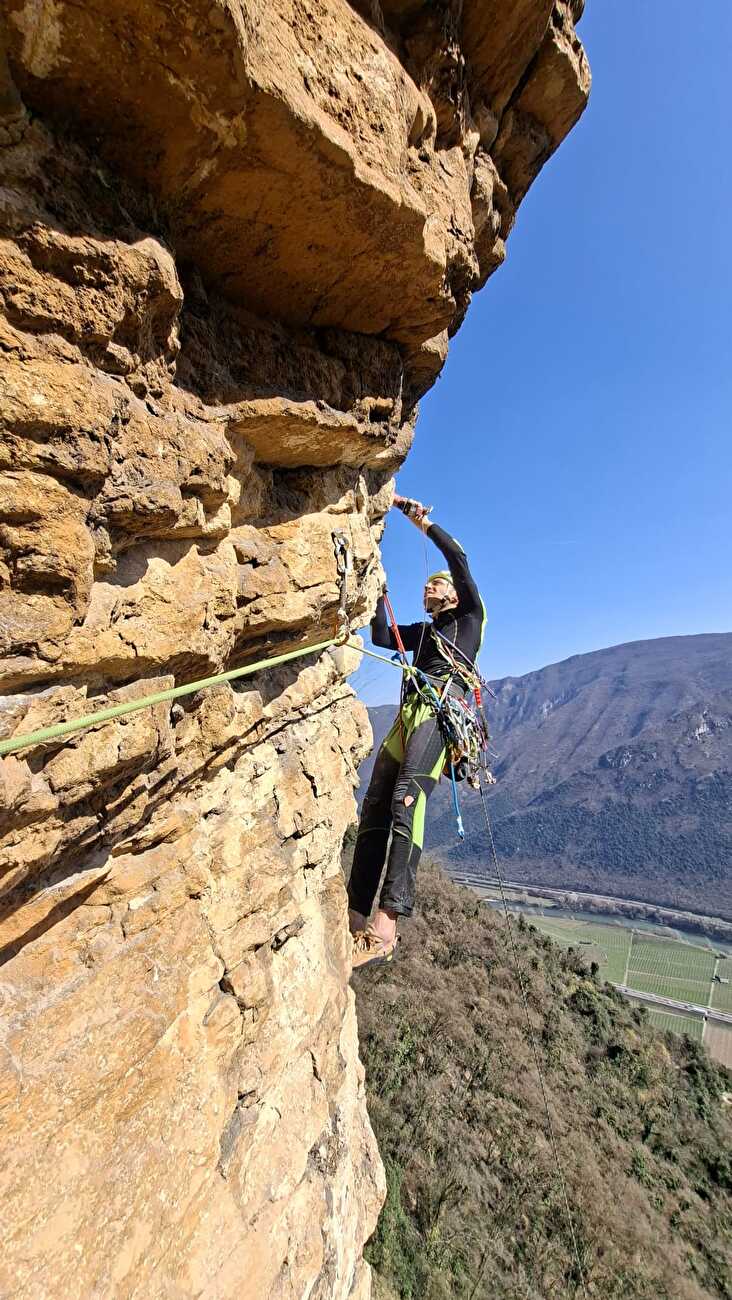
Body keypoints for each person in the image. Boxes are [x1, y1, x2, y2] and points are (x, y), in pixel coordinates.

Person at [349, 493, 486, 969]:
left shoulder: (470, 622)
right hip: (408, 718)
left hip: (437, 717)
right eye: (425, 587)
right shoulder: (425, 633)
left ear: (454, 595)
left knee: (407, 800)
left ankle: (386, 925)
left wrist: (423, 525)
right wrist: (373, 580)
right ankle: (353, 914)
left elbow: (459, 560)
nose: (429, 590)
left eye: (437, 586)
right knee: (375, 805)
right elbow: (384, 637)